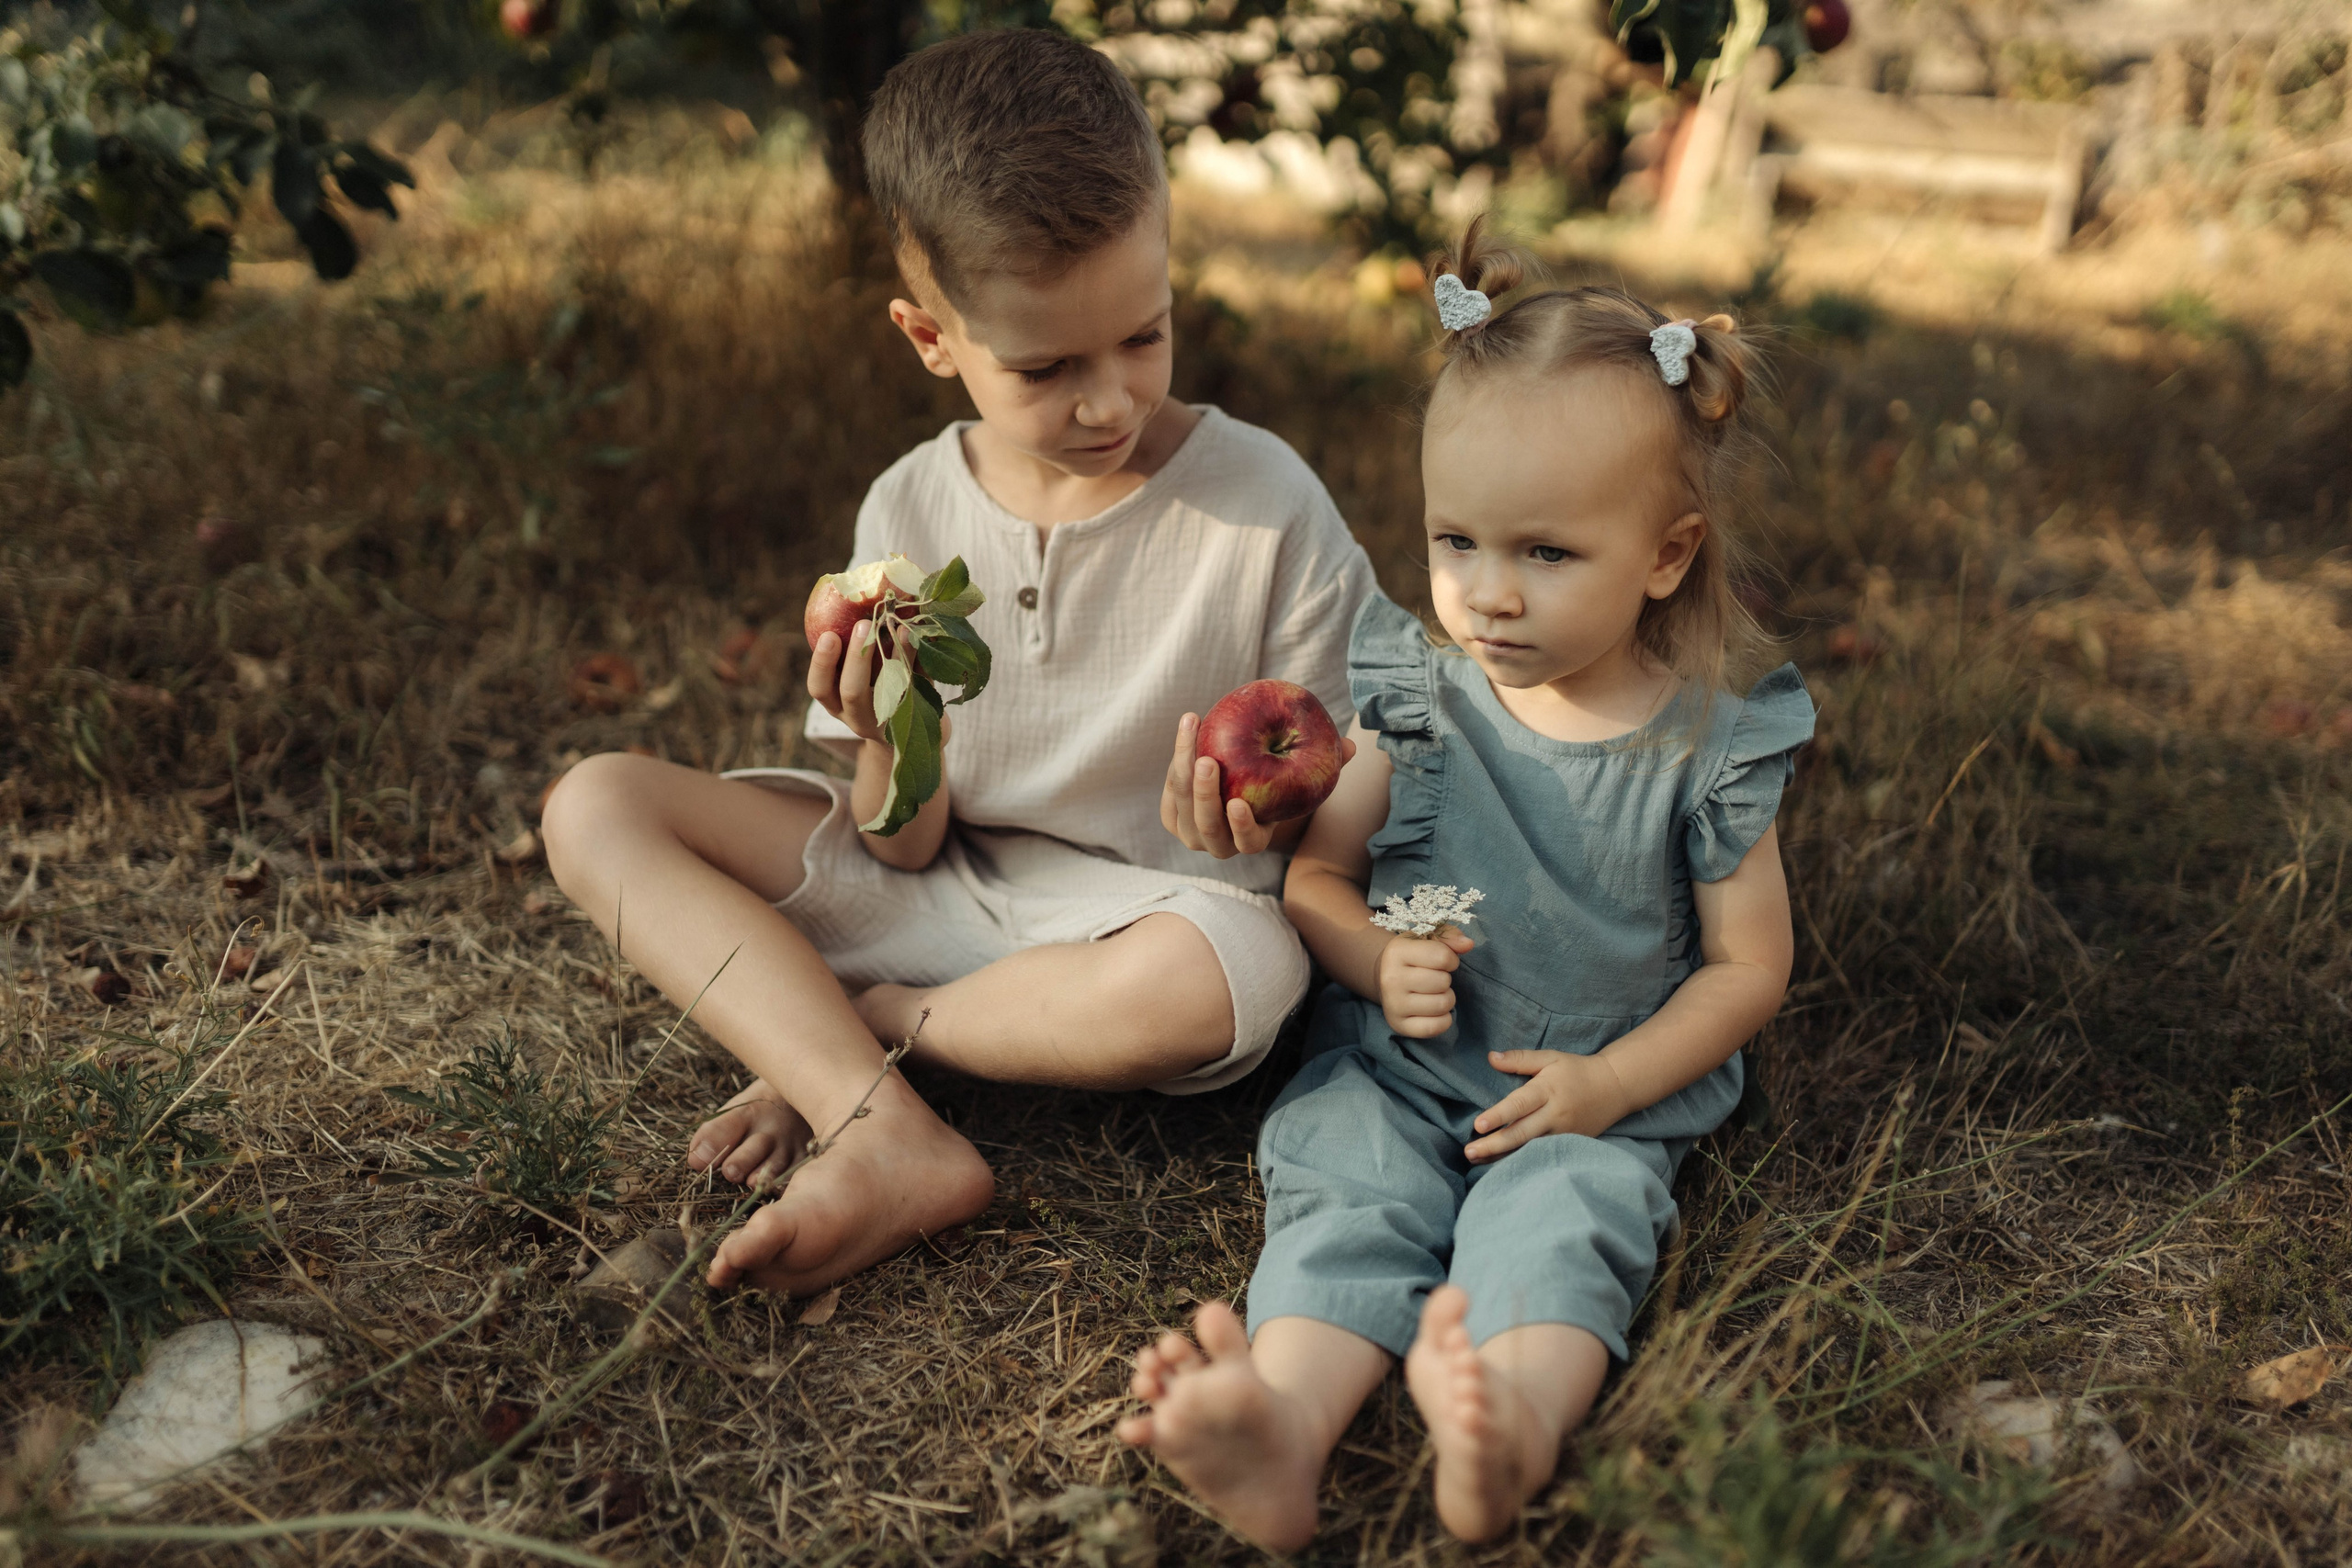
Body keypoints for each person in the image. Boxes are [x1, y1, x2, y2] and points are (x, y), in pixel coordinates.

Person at [539, 29, 1374, 1299]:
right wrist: (887, 734)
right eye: (1047, 369)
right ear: (930, 338)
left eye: (1145, 336)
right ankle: (887, 1135)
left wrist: (1259, 826)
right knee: (595, 804)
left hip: (1142, 921)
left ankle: (856, 1038)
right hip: (937, 899)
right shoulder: (909, 516)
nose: (1110, 402)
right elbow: (904, 845)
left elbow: (1350, 781)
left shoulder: (1261, 502)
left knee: (1225, 983)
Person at [1115, 220, 1814, 1550]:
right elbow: (1316, 879)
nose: (1487, 595)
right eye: (1456, 542)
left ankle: (1504, 1431)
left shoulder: (1708, 752)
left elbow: (1748, 967)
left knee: (1564, 1232)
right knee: (1344, 1203)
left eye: (1545, 555)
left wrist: (1608, 1087)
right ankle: (1285, 1425)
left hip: (1588, 1101)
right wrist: (1376, 962)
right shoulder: (1421, 701)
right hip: (1398, 1074)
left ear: (1666, 555)